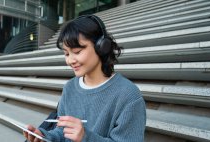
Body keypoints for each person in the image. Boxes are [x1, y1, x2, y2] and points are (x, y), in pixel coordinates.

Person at [23, 14, 146, 142]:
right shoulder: (69, 87)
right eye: (66, 53)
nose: (70, 60)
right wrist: (44, 137)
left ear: (102, 46)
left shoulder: (128, 96)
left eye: (77, 51)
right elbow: (62, 132)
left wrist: (85, 137)